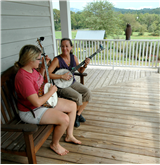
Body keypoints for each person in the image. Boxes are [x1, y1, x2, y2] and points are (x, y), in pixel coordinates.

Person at [14, 44, 81, 156]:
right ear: (30, 59)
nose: (40, 61)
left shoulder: (32, 69)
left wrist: (43, 69)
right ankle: (54, 144)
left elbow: (38, 81)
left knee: (72, 105)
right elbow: (37, 102)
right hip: (31, 111)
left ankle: (69, 135)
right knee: (64, 119)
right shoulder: (23, 78)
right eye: (39, 59)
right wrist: (51, 91)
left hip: (41, 102)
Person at [48, 38, 92, 128]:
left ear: (71, 47)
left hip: (72, 82)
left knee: (87, 92)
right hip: (61, 85)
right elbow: (48, 74)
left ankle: (77, 115)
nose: (64, 48)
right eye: (62, 46)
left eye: (67, 46)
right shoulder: (57, 60)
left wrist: (85, 65)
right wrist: (61, 76)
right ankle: (75, 116)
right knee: (78, 96)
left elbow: (80, 71)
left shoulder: (73, 57)